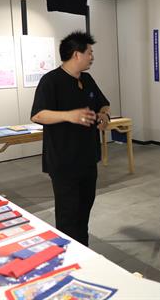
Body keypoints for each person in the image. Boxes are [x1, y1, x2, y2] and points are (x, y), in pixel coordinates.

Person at [31, 31, 110, 246]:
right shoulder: (51, 81)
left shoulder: (87, 79)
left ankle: (83, 251)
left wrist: (104, 116)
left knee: (84, 210)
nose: (92, 57)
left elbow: (103, 104)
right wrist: (69, 115)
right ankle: (68, 255)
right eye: (89, 52)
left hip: (88, 158)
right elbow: (38, 115)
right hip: (64, 162)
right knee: (68, 215)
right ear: (77, 54)